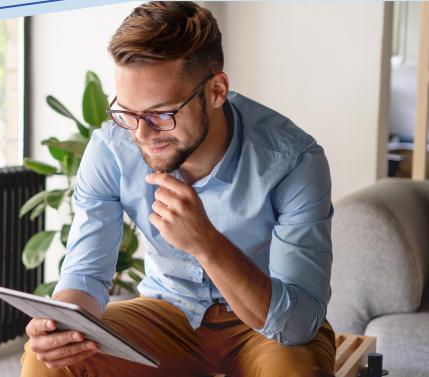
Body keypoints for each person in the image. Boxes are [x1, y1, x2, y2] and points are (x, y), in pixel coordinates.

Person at [20, 2, 335, 376]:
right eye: (127, 112)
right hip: (166, 310)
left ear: (216, 90)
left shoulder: (293, 161)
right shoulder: (111, 150)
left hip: (266, 324)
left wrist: (206, 242)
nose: (141, 134)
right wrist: (63, 325)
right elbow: (86, 275)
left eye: (161, 113)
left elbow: (297, 325)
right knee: (46, 361)